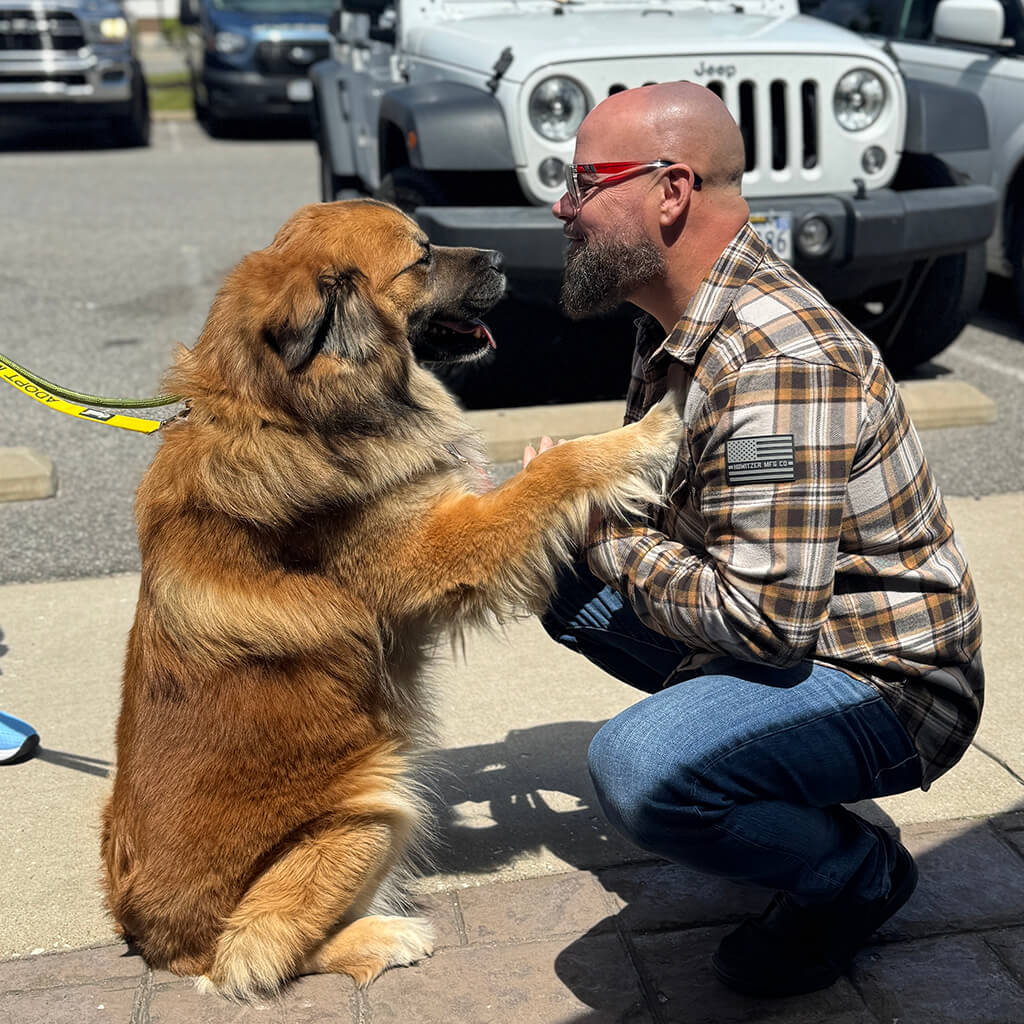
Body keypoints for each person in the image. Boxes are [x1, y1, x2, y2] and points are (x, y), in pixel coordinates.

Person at [526, 82, 984, 998]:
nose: (562, 206)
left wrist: (596, 517)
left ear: (670, 191)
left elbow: (763, 622)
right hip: (798, 634)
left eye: (583, 182)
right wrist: (567, 511)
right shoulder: (679, 323)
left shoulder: (782, 362)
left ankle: (855, 872)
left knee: (640, 768)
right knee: (556, 578)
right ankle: (750, 770)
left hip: (886, 683)